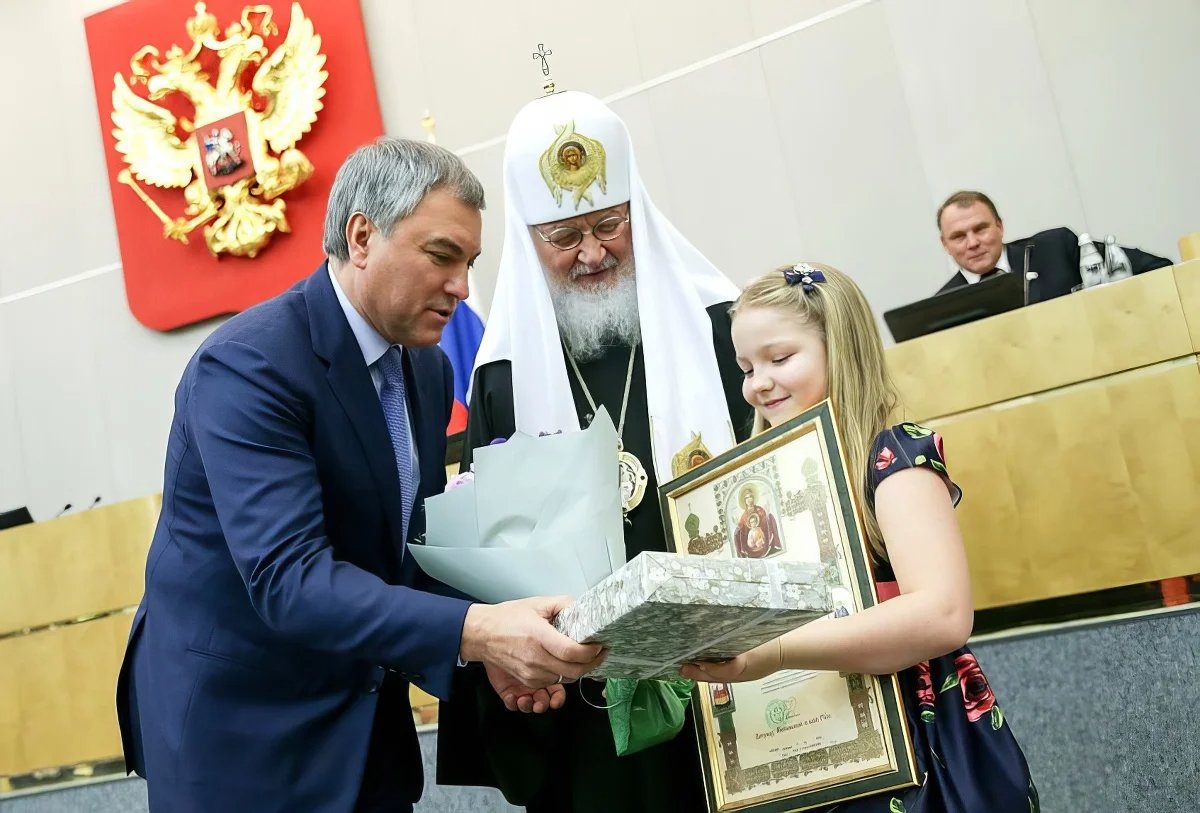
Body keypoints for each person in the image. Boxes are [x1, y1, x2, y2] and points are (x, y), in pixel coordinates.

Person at [115, 137, 604, 813]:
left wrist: (494, 637)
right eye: (442, 256)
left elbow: (403, 553)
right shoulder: (247, 368)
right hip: (242, 745)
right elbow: (291, 580)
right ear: (362, 235)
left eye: (469, 262)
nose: (462, 287)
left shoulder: (429, 368)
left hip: (365, 735)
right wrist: (481, 629)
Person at [435, 90, 754, 812]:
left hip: (730, 674)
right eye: (563, 235)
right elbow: (492, 549)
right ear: (527, 237)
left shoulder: (719, 326)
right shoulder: (502, 377)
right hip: (590, 710)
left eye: (610, 224)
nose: (592, 251)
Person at [683, 262, 1039, 811]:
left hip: (914, 747)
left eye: (780, 359)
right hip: (800, 750)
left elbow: (943, 614)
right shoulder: (751, 486)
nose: (758, 383)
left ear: (840, 347)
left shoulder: (892, 456)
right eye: (745, 367)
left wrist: (775, 651)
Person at [935, 189, 1172, 303]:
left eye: (980, 229)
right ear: (945, 244)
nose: (973, 243)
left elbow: (1157, 270)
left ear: (1000, 227)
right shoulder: (941, 305)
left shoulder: (1055, 249)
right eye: (958, 236)